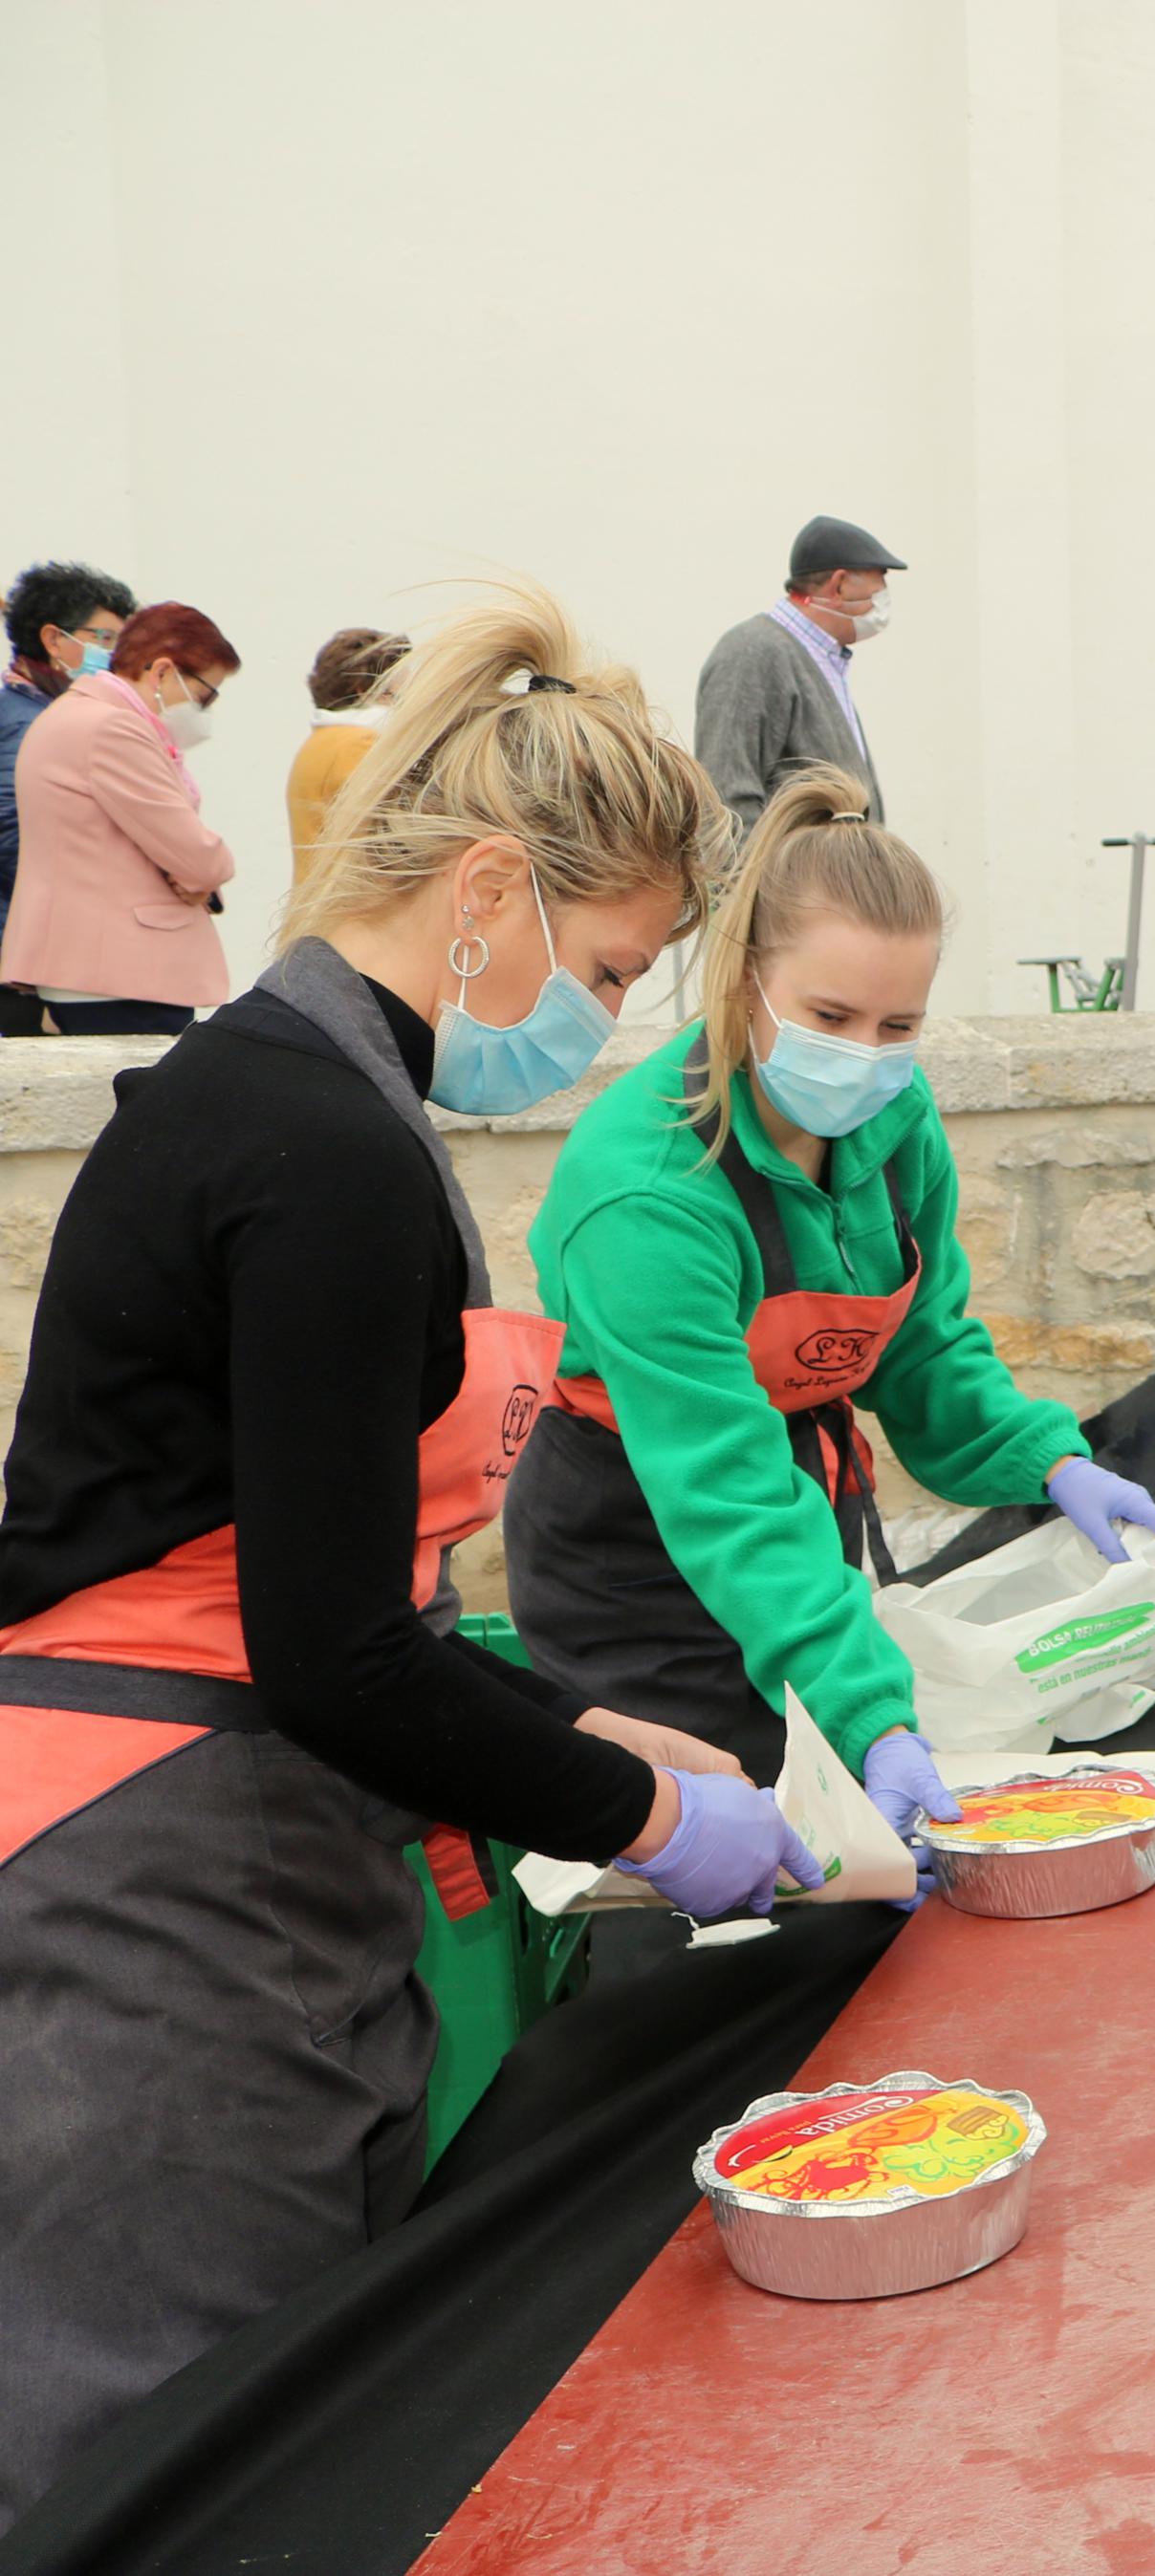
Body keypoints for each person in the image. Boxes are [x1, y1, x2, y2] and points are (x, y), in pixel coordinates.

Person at [0, 585, 809, 2521]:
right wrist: (632, 1810)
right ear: (486, 891)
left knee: (303, 2389)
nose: (602, 1020)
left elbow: (327, 1587)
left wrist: (598, 1715)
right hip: (157, 1859)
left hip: (240, 1808)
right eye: (608, 969)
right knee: (177, 2442)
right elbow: (331, 1651)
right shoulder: (324, 1153)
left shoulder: (295, 1100)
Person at [505, 764, 1155, 1820]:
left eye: (896, 1026)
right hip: (637, 1549)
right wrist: (874, 1713)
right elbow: (727, 1492)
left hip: (790, 1510)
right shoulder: (645, 1195)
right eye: (830, 1014)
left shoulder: (893, 1118)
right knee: (730, 1830)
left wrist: (1048, 1458)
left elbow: (924, 1344)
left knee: (839, 1802)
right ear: (743, 982)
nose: (866, 1057)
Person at [0, 600, 242, 1036]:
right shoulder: (113, 728)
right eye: (205, 695)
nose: (204, 712)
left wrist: (189, 869)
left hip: (92, 969)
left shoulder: (76, 714)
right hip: (120, 974)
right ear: (163, 671)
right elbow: (199, 857)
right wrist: (210, 867)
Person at [692, 515, 904, 833]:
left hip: (831, 883)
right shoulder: (753, 652)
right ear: (840, 584)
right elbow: (726, 803)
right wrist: (754, 884)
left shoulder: (821, 658)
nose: (883, 594)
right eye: (880, 580)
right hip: (790, 884)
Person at [1, 562, 137, 1038]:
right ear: (54, 640)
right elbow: (17, 839)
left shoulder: (47, 710)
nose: (115, 654)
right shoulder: (27, 721)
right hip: (32, 964)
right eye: (104, 638)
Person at [287, 627, 407, 882]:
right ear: (365, 689)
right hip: (355, 913)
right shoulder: (360, 744)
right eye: (401, 692)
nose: (407, 704)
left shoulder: (322, 741)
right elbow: (394, 841)